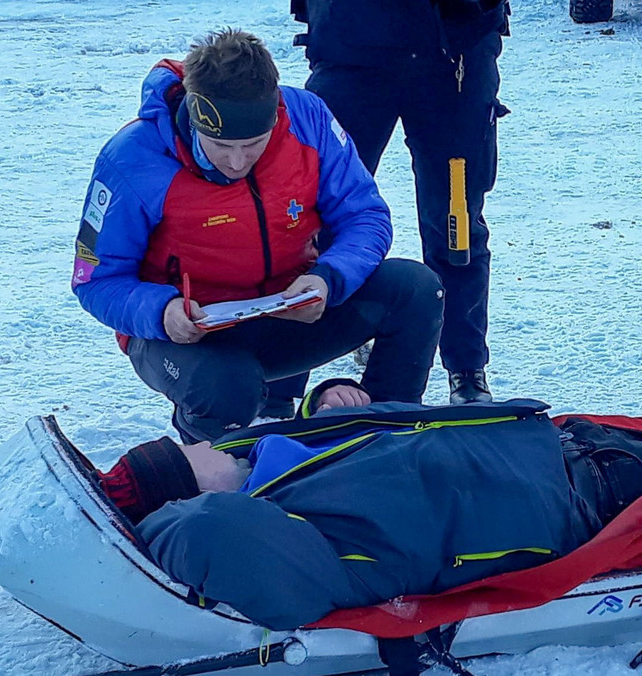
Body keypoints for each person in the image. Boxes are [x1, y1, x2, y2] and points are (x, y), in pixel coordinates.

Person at [72, 29, 445, 443]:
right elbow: (96, 279)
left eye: (254, 144)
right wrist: (162, 312)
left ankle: (382, 438)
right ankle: (209, 469)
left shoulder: (307, 120)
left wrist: (328, 277)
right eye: (218, 144)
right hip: (187, 335)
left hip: (292, 309)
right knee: (229, 386)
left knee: (416, 289)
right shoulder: (132, 159)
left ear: (275, 114)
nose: (236, 161)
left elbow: (366, 216)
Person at [97, 378, 642, 630]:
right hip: (581, 498)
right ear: (197, 489)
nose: (196, 441)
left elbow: (350, 443)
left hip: (550, 438)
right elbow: (208, 533)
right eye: (186, 454)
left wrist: (328, 398)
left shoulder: (254, 457)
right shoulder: (282, 539)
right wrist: (145, 520)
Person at [292, 0, 511, 404]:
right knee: (310, 219)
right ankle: (278, 391)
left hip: (455, 48)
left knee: (455, 223)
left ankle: (466, 373)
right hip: (350, 42)